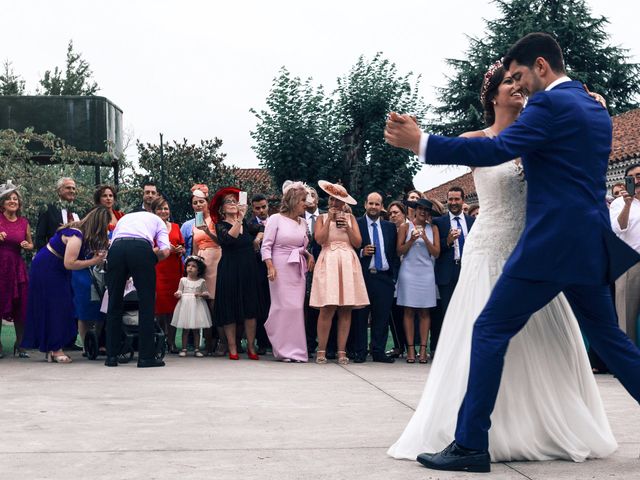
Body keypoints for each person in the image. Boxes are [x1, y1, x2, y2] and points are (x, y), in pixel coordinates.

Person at [385, 33, 640, 472]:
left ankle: (469, 446)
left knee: (488, 329)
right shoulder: (595, 108)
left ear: (541, 66)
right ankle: (472, 441)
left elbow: (499, 148)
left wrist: (421, 142)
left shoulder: (549, 105)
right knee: (612, 340)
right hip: (588, 246)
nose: (519, 87)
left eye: (520, 75)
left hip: (549, 247)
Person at [22, 207, 110, 363]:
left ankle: (52, 347)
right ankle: (55, 350)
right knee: (57, 307)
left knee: (62, 306)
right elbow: (70, 263)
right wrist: (94, 261)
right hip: (48, 268)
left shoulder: (79, 232)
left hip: (56, 269)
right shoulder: (76, 235)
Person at [104, 201, 171, 368]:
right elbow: (166, 250)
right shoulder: (158, 221)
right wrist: (152, 260)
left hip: (117, 249)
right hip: (141, 248)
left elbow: (113, 241)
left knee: (114, 303)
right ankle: (146, 357)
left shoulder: (124, 219)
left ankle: (111, 356)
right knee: (146, 303)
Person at [309, 181, 368, 365]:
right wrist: (329, 222)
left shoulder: (351, 219)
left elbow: (358, 243)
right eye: (332, 199)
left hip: (347, 261)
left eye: (338, 201)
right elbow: (319, 240)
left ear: (344, 203)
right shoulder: (321, 218)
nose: (334, 203)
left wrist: (348, 227)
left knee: (345, 308)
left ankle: (342, 351)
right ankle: (322, 350)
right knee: (327, 307)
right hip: (329, 260)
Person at [261, 181, 315, 362]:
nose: (305, 204)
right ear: (292, 201)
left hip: (297, 268)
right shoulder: (275, 219)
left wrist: (307, 255)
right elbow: (266, 246)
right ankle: (283, 350)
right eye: (302, 201)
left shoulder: (302, 222)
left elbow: (302, 245)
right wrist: (270, 266)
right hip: (279, 267)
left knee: (297, 308)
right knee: (282, 307)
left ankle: (297, 351)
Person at [211, 187, 265, 360]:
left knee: (250, 309)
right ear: (222, 208)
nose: (233, 204)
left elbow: (262, 227)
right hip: (229, 269)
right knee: (229, 309)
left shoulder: (248, 225)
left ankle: (251, 347)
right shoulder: (220, 225)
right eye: (229, 201)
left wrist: (257, 239)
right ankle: (232, 348)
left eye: (235, 201)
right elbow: (228, 239)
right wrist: (240, 218)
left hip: (248, 269)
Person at [73, 185, 124, 355]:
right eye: (104, 196)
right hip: (88, 265)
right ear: (98, 199)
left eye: (111, 195)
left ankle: (100, 341)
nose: (108, 199)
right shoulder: (93, 216)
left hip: (109, 266)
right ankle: (86, 345)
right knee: (85, 306)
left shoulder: (120, 217)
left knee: (105, 306)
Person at [351, 192, 399, 363]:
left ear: (381, 206)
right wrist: (362, 252)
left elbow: (394, 253)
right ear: (365, 205)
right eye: (370, 203)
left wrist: (392, 275)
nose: (373, 207)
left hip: (384, 277)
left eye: (377, 204)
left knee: (382, 317)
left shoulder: (389, 227)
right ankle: (360, 352)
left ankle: (378, 351)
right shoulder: (357, 223)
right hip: (364, 276)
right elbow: (349, 248)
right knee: (361, 317)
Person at [431, 187, 475, 356]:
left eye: (457, 199)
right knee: (448, 312)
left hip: (468, 271)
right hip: (447, 272)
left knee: (468, 310)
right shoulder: (439, 222)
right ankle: (448, 351)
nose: (453, 203)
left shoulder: (472, 222)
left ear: (463, 200)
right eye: (450, 199)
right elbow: (435, 249)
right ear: (446, 201)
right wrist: (447, 241)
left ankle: (466, 349)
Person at [395, 198, 440, 363]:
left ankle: (423, 349)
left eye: (426, 210)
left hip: (426, 272)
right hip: (408, 271)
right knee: (408, 310)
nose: (423, 212)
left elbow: (436, 253)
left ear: (429, 213)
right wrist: (412, 239)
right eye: (420, 209)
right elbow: (399, 251)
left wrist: (425, 238)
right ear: (414, 210)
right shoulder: (405, 227)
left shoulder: (433, 228)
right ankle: (410, 349)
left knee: (425, 311)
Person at [0, 181, 33, 358]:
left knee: (20, 307)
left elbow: (31, 243)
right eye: (9, 199)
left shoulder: (24, 222)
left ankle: (20, 345)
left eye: (15, 199)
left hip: (16, 267)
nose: (13, 201)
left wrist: (28, 245)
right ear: (3, 203)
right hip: (0, 267)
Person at [610, 163, 640, 346]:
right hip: (630, 264)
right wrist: (627, 204)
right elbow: (618, 227)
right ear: (627, 179)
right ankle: (629, 366)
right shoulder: (618, 203)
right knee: (626, 318)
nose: (638, 180)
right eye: (634, 176)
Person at [153, 197, 185, 354]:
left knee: (173, 307)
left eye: (166, 208)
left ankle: (171, 341)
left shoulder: (176, 226)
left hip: (173, 270)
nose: (163, 211)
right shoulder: (150, 227)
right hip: (158, 269)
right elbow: (149, 247)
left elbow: (182, 245)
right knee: (159, 307)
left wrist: (180, 250)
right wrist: (165, 250)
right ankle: (159, 339)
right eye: (160, 209)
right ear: (154, 211)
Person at [171, 255, 212, 357]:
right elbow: (180, 290)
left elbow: (207, 293)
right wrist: (178, 293)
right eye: (188, 265)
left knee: (196, 329)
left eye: (193, 266)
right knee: (185, 329)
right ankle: (184, 349)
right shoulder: (183, 280)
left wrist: (201, 294)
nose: (190, 268)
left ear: (199, 270)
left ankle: (197, 349)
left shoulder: (201, 281)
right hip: (185, 305)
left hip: (197, 306)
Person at [250, 193, 272, 355]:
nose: (261, 211)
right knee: (261, 307)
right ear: (253, 209)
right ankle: (262, 342)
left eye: (264, 207)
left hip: (277, 268)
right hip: (257, 269)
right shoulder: (249, 224)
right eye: (258, 208)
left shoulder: (277, 221)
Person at [35, 177, 79, 250]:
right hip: (55, 256)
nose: (72, 191)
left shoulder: (81, 211)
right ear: (59, 191)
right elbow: (40, 238)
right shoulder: (48, 209)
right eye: (68, 188)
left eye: (73, 188)